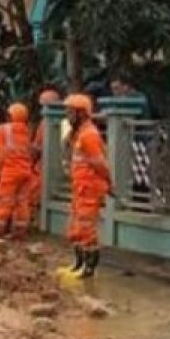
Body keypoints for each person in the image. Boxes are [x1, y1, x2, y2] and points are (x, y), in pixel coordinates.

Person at [63, 94, 110, 277]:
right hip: (81, 188)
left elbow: (99, 164)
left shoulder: (89, 135)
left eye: (70, 112)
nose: (68, 116)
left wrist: (109, 183)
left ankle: (88, 269)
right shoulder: (80, 134)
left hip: (89, 189)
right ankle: (78, 264)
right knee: (76, 228)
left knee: (86, 229)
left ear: (81, 114)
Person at [0, 103, 35, 241]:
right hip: (26, 172)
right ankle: (19, 230)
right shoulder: (26, 131)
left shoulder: (2, 130)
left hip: (10, 172)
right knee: (22, 202)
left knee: (4, 199)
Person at [30, 86, 63, 217]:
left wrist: (33, 150)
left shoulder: (50, 123)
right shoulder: (47, 122)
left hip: (48, 166)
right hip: (45, 164)